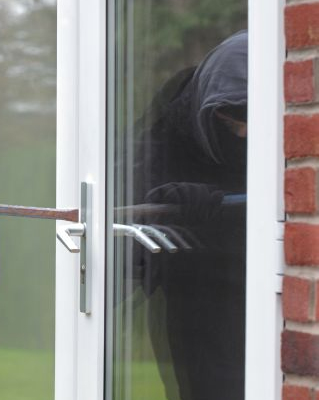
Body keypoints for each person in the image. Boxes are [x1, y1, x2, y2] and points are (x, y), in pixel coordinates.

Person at [129, 31, 247, 400]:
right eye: (231, 121)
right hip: (192, 295)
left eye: (253, 120)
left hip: (258, 282)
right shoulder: (168, 131)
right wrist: (170, 204)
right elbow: (131, 207)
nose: (243, 133)